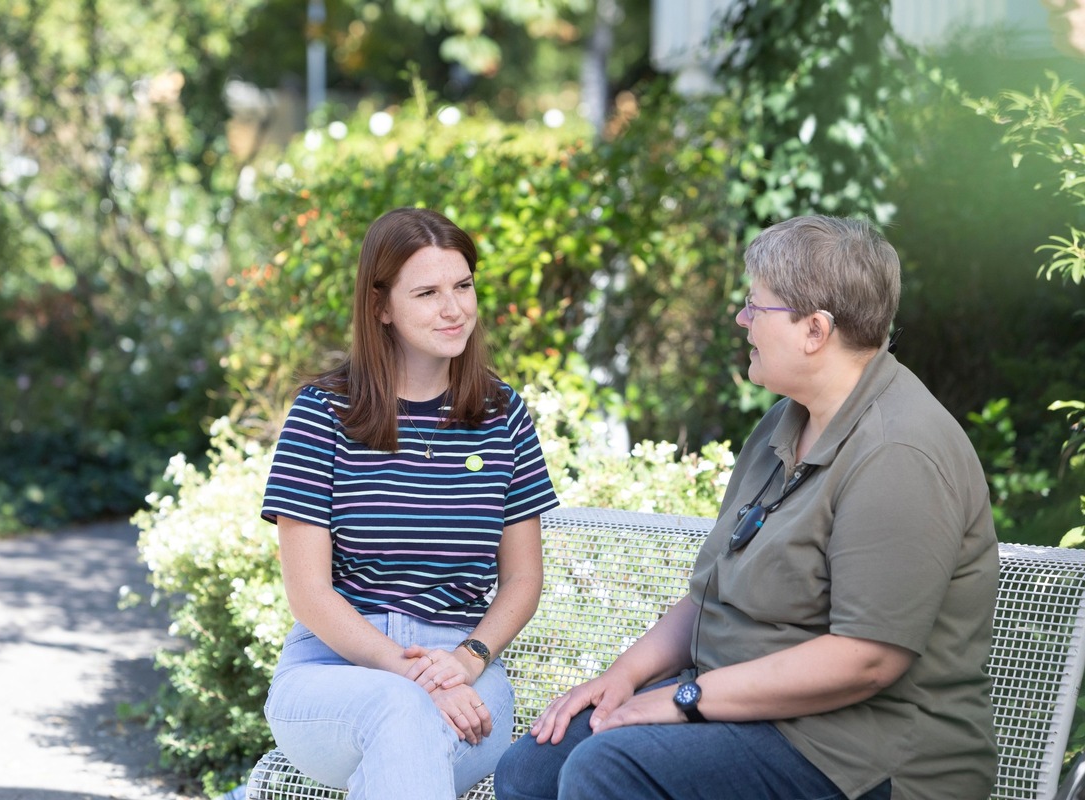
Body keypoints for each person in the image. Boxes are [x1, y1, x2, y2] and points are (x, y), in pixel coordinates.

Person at [493, 215, 999, 800]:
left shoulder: (898, 454)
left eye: (756, 307)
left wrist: (687, 700)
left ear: (815, 330)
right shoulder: (786, 422)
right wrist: (622, 678)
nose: (742, 320)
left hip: (861, 753)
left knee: (608, 768)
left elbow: (867, 661)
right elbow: (713, 596)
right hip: (750, 712)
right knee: (532, 768)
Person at [259, 206, 559, 800]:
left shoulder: (503, 416)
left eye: (463, 286)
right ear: (381, 307)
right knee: (401, 709)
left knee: (405, 737)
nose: (454, 309)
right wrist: (408, 672)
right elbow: (309, 593)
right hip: (334, 672)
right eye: (426, 292)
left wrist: (470, 659)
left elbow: (523, 577)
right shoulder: (322, 414)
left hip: (466, 673)